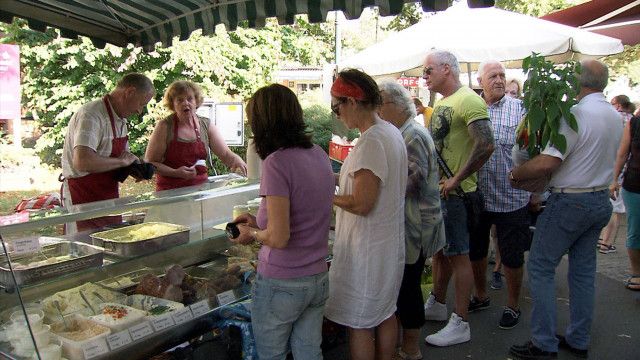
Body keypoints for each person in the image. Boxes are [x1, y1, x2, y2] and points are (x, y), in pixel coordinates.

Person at [509, 60, 622, 359]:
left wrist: (517, 174)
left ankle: (543, 343)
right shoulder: (613, 114)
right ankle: (579, 338)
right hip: (599, 199)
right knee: (583, 272)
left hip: (571, 200)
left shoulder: (574, 114)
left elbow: (549, 160)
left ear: (577, 82)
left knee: (541, 267)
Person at [228, 84, 334, 359]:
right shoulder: (318, 154)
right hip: (317, 278)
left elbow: (278, 238)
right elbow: (301, 212)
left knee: (271, 355)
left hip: (282, 282)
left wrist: (250, 232)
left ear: (265, 122)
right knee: (309, 352)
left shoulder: (276, 162)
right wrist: (257, 222)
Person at [324, 69, 407, 360]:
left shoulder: (371, 141)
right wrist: (329, 178)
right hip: (385, 244)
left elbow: (362, 202)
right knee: (385, 311)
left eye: (337, 107)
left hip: (368, 251)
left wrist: (324, 198)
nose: (337, 115)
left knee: (359, 322)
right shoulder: (390, 132)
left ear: (352, 101)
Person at [422, 50, 495, 347]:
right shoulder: (443, 103)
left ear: (446, 69)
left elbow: (486, 143)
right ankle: (438, 304)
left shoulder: (469, 100)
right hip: (443, 193)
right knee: (442, 252)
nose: (424, 75)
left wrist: (456, 179)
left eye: (428, 70)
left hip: (457, 195)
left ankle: (461, 321)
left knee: (459, 255)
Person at [378, 80, 446, 359]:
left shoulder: (412, 135)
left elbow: (411, 183)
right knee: (405, 287)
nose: (377, 112)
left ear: (392, 105)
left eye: (378, 105)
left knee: (408, 288)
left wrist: (375, 186)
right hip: (412, 223)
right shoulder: (405, 132)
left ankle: (411, 349)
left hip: (416, 226)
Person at [468, 60, 530, 330]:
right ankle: (481, 295)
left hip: (512, 198)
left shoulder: (520, 110)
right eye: (493, 76)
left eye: (502, 75)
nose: (499, 80)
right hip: (479, 197)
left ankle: (512, 305)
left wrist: (536, 191)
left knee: (513, 256)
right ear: (480, 81)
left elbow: (532, 153)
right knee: (476, 251)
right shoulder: (472, 109)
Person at [61, 73, 155, 232]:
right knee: (87, 249)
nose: (140, 110)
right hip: (83, 195)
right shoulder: (91, 115)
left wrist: (135, 169)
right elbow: (82, 161)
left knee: (110, 243)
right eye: (141, 103)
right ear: (129, 92)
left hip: (107, 195)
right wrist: (121, 162)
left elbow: (120, 158)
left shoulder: (120, 120)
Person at [145, 80, 246, 191]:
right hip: (170, 193)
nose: (185, 103)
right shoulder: (164, 126)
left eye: (189, 99)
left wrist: (237, 161)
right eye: (180, 100)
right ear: (173, 104)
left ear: (196, 102)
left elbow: (226, 154)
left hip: (200, 191)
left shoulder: (206, 125)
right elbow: (150, 163)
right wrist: (175, 173)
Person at [610, 114, 640, 291]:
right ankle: (637, 273)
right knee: (635, 231)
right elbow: (622, 153)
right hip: (635, 185)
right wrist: (614, 179)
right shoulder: (634, 122)